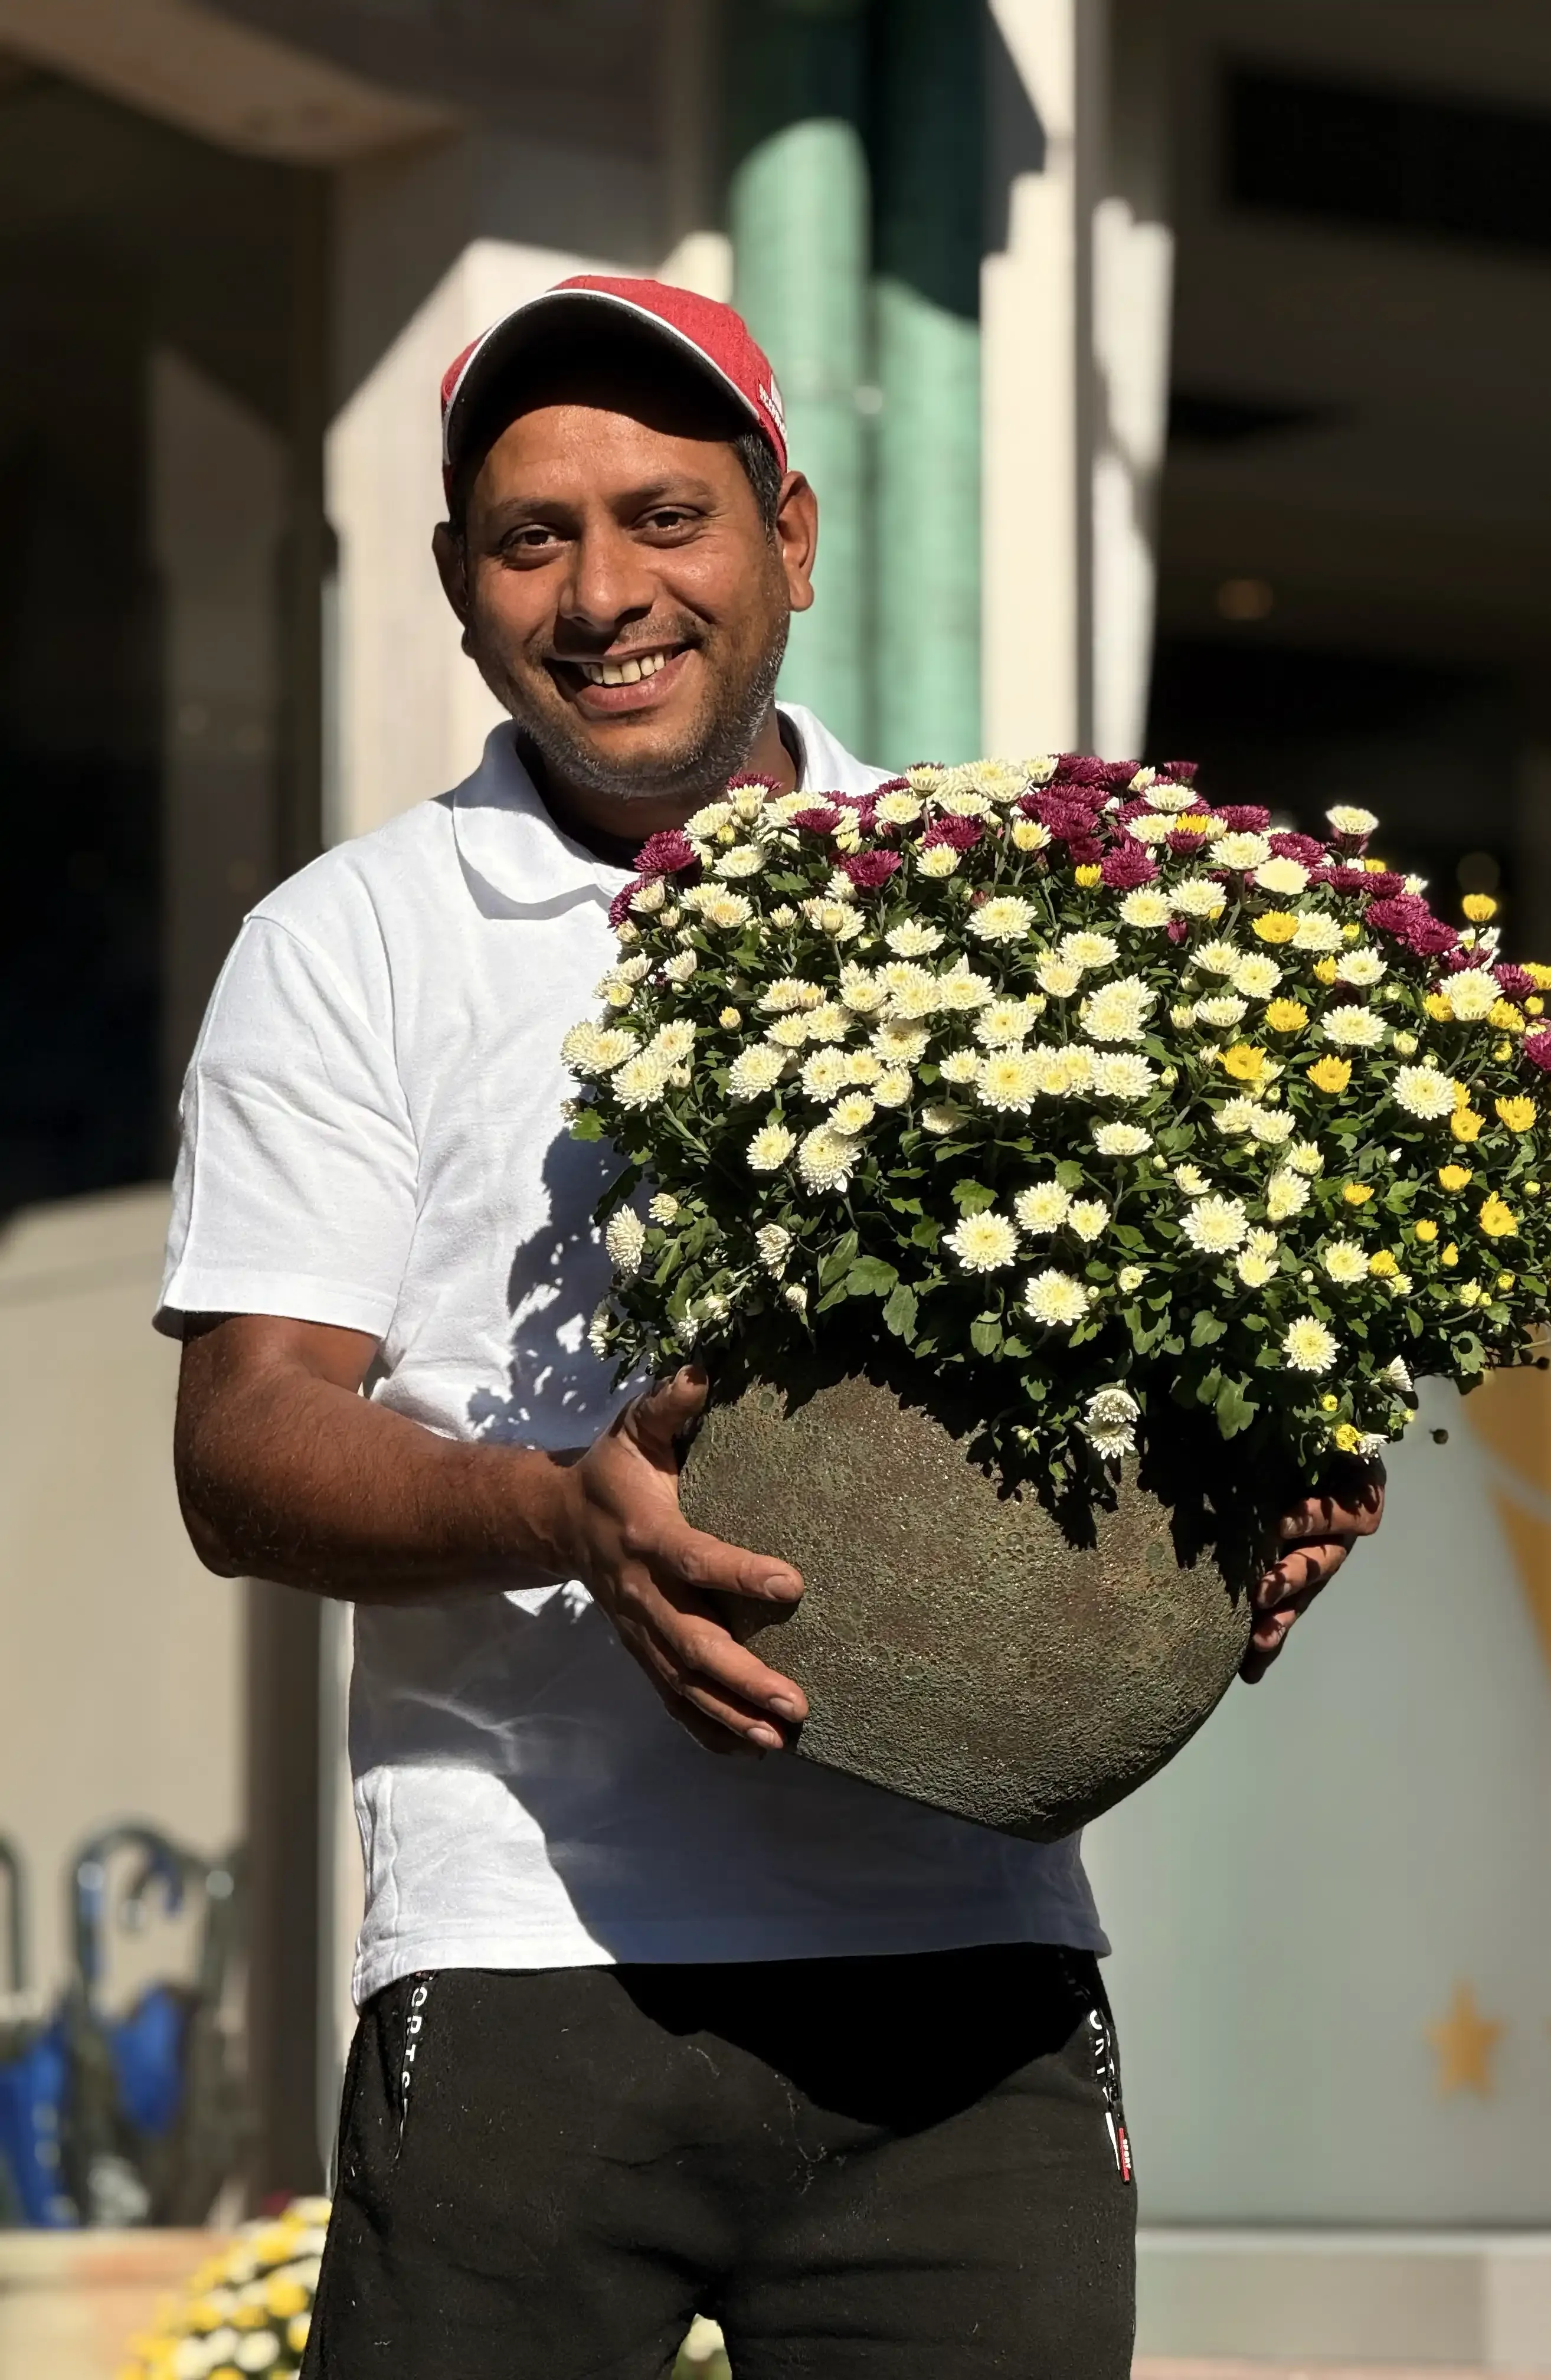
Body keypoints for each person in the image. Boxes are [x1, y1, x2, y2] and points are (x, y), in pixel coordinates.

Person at [161, 277, 1383, 2379]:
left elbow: (1202, 1344)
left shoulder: (1018, 898)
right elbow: (246, 1446)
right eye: (531, 539)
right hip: (530, 1957)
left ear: (790, 537)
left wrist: (1273, 1473)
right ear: (462, 590)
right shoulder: (349, 939)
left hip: (965, 1971)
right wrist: (569, 1513)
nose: (602, 591)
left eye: (667, 515)